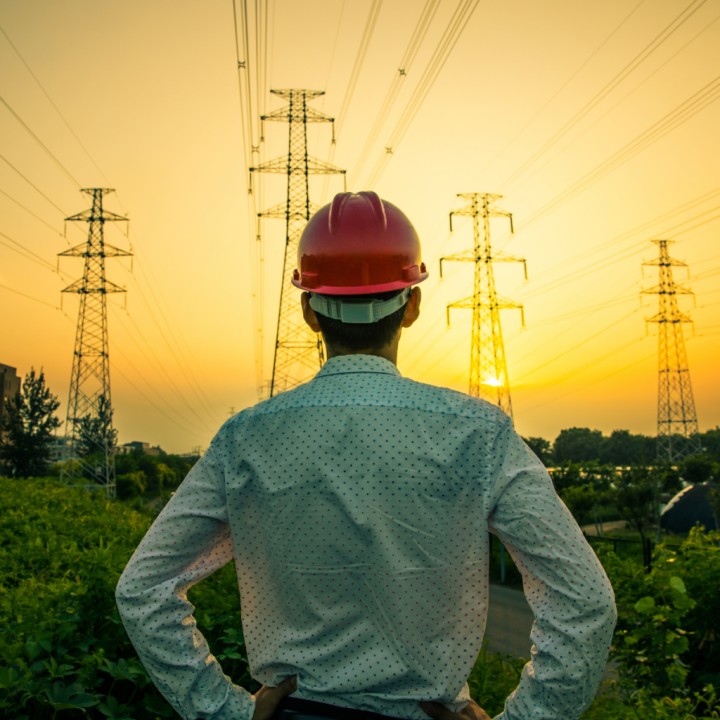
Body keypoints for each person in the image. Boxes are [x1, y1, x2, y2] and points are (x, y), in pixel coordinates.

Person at [116, 191, 616, 720]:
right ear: (414, 305)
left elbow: (144, 588)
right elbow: (584, 601)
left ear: (309, 311)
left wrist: (224, 712)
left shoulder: (245, 439)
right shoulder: (478, 435)